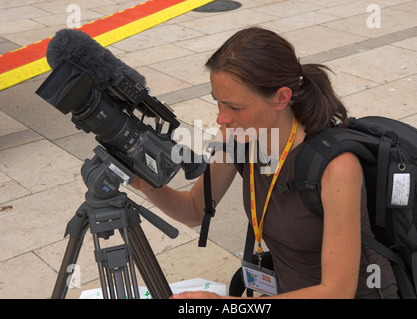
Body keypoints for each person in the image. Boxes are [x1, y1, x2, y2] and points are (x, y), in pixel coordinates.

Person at [132, 27, 398, 299]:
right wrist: (145, 184)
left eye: (234, 107)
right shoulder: (236, 136)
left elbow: (336, 292)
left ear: (281, 97)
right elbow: (194, 210)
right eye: (218, 102)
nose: (221, 119)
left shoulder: (336, 167)